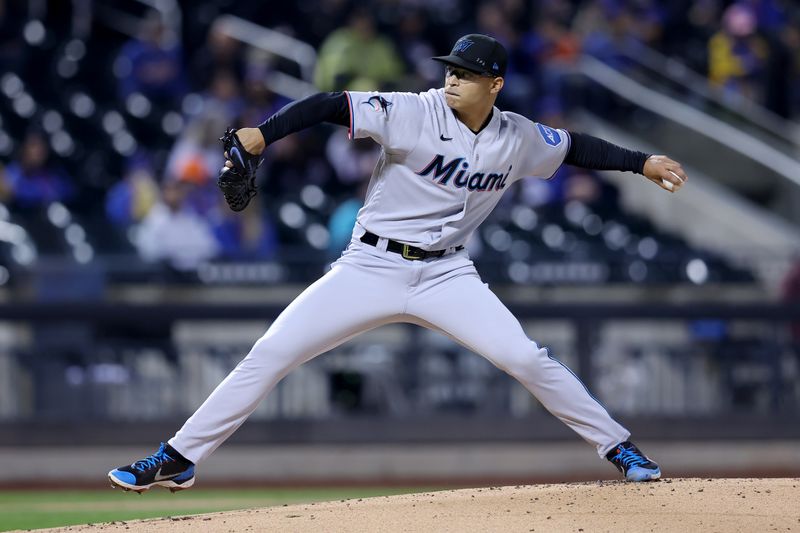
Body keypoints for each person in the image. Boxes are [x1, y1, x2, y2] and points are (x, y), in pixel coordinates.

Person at [109, 34, 687, 493]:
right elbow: (331, 105)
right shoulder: (413, 111)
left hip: (448, 274)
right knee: (272, 353)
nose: (452, 78)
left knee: (525, 358)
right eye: (449, 69)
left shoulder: (517, 136)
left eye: (465, 72)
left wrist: (642, 163)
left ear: (496, 84)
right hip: (369, 266)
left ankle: (618, 446)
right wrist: (263, 134)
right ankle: (178, 457)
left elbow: (578, 147)